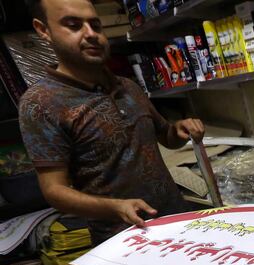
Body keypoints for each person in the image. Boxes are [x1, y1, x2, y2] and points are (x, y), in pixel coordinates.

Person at [18, 0, 205, 245]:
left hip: (177, 221)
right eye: (73, 25)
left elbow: (166, 137)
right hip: (123, 239)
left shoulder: (128, 86)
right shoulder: (40, 103)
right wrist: (115, 207)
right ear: (44, 30)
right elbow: (55, 191)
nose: (91, 34)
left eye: (95, 25)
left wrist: (179, 130)